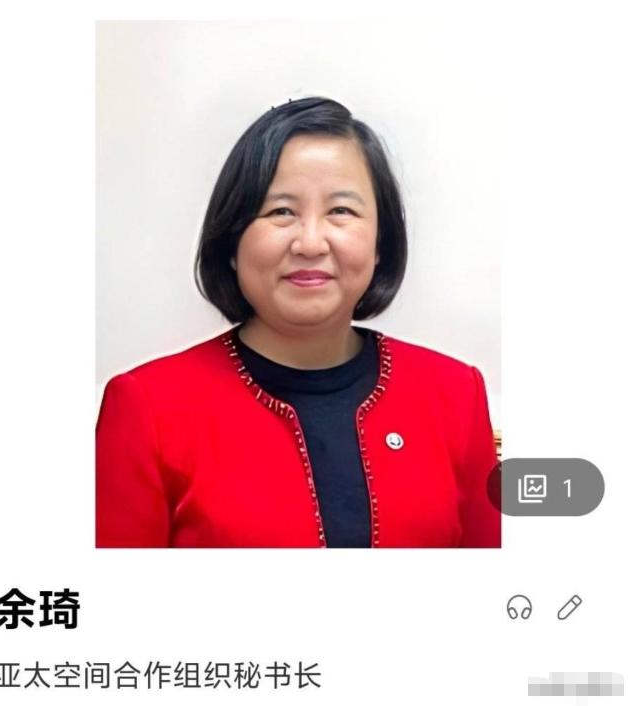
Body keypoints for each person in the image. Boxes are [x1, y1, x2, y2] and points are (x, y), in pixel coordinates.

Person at [96, 96, 501, 548]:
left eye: (341, 211)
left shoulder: (455, 395)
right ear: (232, 242)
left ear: (380, 242)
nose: (310, 243)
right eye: (281, 212)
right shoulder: (148, 408)